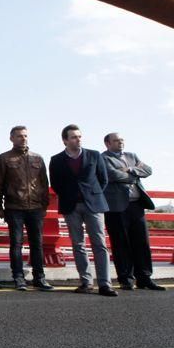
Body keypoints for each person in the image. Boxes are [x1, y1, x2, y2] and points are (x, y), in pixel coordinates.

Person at [49, 124, 117, 296]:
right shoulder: (56, 160)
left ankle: (105, 284)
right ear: (65, 140)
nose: (78, 139)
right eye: (73, 137)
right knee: (78, 244)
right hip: (71, 206)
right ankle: (86, 282)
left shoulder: (94, 155)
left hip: (93, 204)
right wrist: (70, 195)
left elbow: (103, 179)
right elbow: (56, 184)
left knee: (99, 244)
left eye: (79, 136)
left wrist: (92, 194)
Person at [102, 133, 164, 291]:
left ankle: (144, 278)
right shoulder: (104, 158)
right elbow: (112, 175)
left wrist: (130, 169)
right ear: (107, 144)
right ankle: (126, 279)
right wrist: (135, 175)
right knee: (121, 243)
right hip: (116, 207)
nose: (120, 142)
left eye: (122, 140)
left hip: (137, 205)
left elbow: (148, 170)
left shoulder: (132, 156)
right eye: (116, 140)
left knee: (142, 242)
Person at [0, 126, 52, 291]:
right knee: (16, 244)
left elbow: (43, 182)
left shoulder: (38, 158)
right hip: (14, 207)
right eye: (19, 136)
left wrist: (44, 205)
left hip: (36, 207)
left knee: (37, 244)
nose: (23, 138)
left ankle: (39, 277)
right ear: (11, 138)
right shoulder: (4, 159)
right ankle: (18, 278)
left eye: (25, 136)